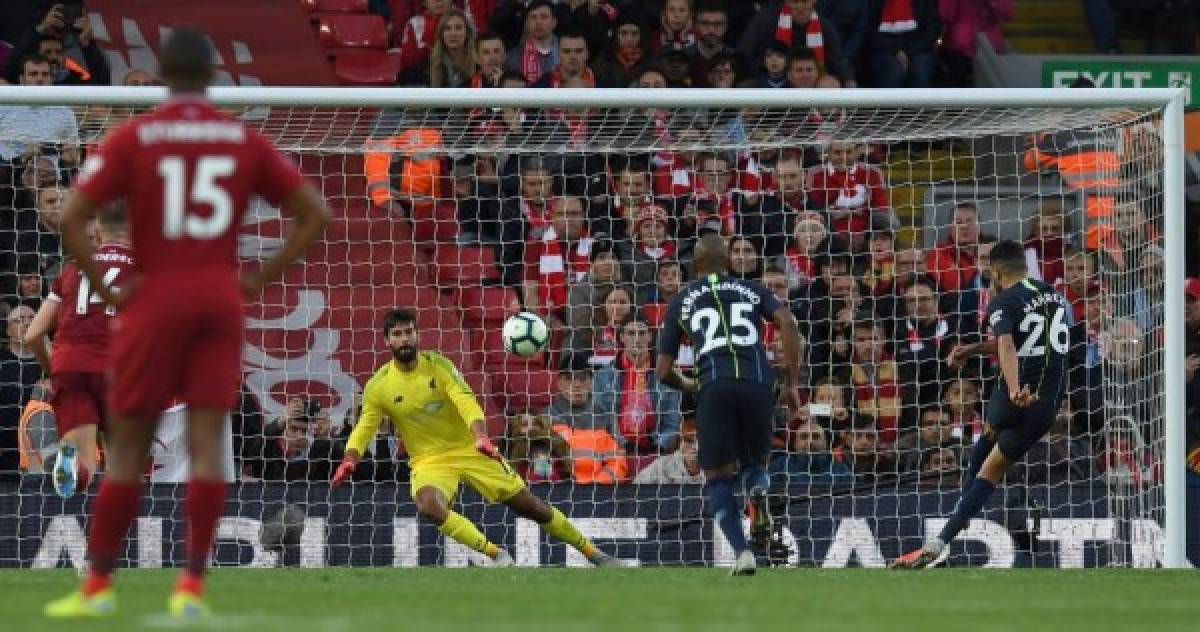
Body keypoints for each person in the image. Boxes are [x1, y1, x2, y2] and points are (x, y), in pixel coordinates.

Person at [46, 29, 330, 619]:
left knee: (125, 448)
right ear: (210, 78)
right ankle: (191, 589)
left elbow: (74, 214)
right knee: (206, 449)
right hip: (217, 299)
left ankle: (97, 587)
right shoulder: (238, 137)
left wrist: (101, 287)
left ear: (165, 77)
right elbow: (313, 213)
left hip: (157, 299)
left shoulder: (137, 136)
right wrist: (259, 279)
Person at [331, 309, 618, 566]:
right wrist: (350, 458)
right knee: (429, 505)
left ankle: (593, 553)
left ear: (417, 335)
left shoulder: (439, 366)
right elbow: (364, 427)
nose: (404, 339)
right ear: (387, 341)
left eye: (408, 332)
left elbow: (466, 401)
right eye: (397, 334)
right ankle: (496, 554)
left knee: (531, 506)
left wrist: (480, 435)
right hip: (429, 461)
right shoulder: (378, 386)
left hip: (470, 448)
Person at [893, 240, 1071, 569]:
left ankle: (940, 543)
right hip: (1046, 404)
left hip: (1013, 398)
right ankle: (955, 526)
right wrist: (971, 350)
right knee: (986, 461)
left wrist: (1016, 388)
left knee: (986, 470)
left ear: (996, 271)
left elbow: (1006, 345)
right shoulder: (1057, 297)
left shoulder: (1002, 299)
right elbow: (1034, 342)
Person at [656, 234, 804, 575]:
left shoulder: (682, 300)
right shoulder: (751, 290)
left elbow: (663, 371)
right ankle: (757, 492)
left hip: (713, 386)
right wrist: (793, 382)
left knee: (719, 478)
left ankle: (743, 553)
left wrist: (688, 383)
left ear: (693, 265)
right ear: (730, 263)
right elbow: (788, 323)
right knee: (756, 464)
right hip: (758, 384)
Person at [23, 204, 133, 498]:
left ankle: (74, 467)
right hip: (117, 368)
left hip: (70, 365)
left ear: (97, 232)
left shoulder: (73, 267)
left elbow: (33, 334)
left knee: (84, 468)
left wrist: (55, 369)